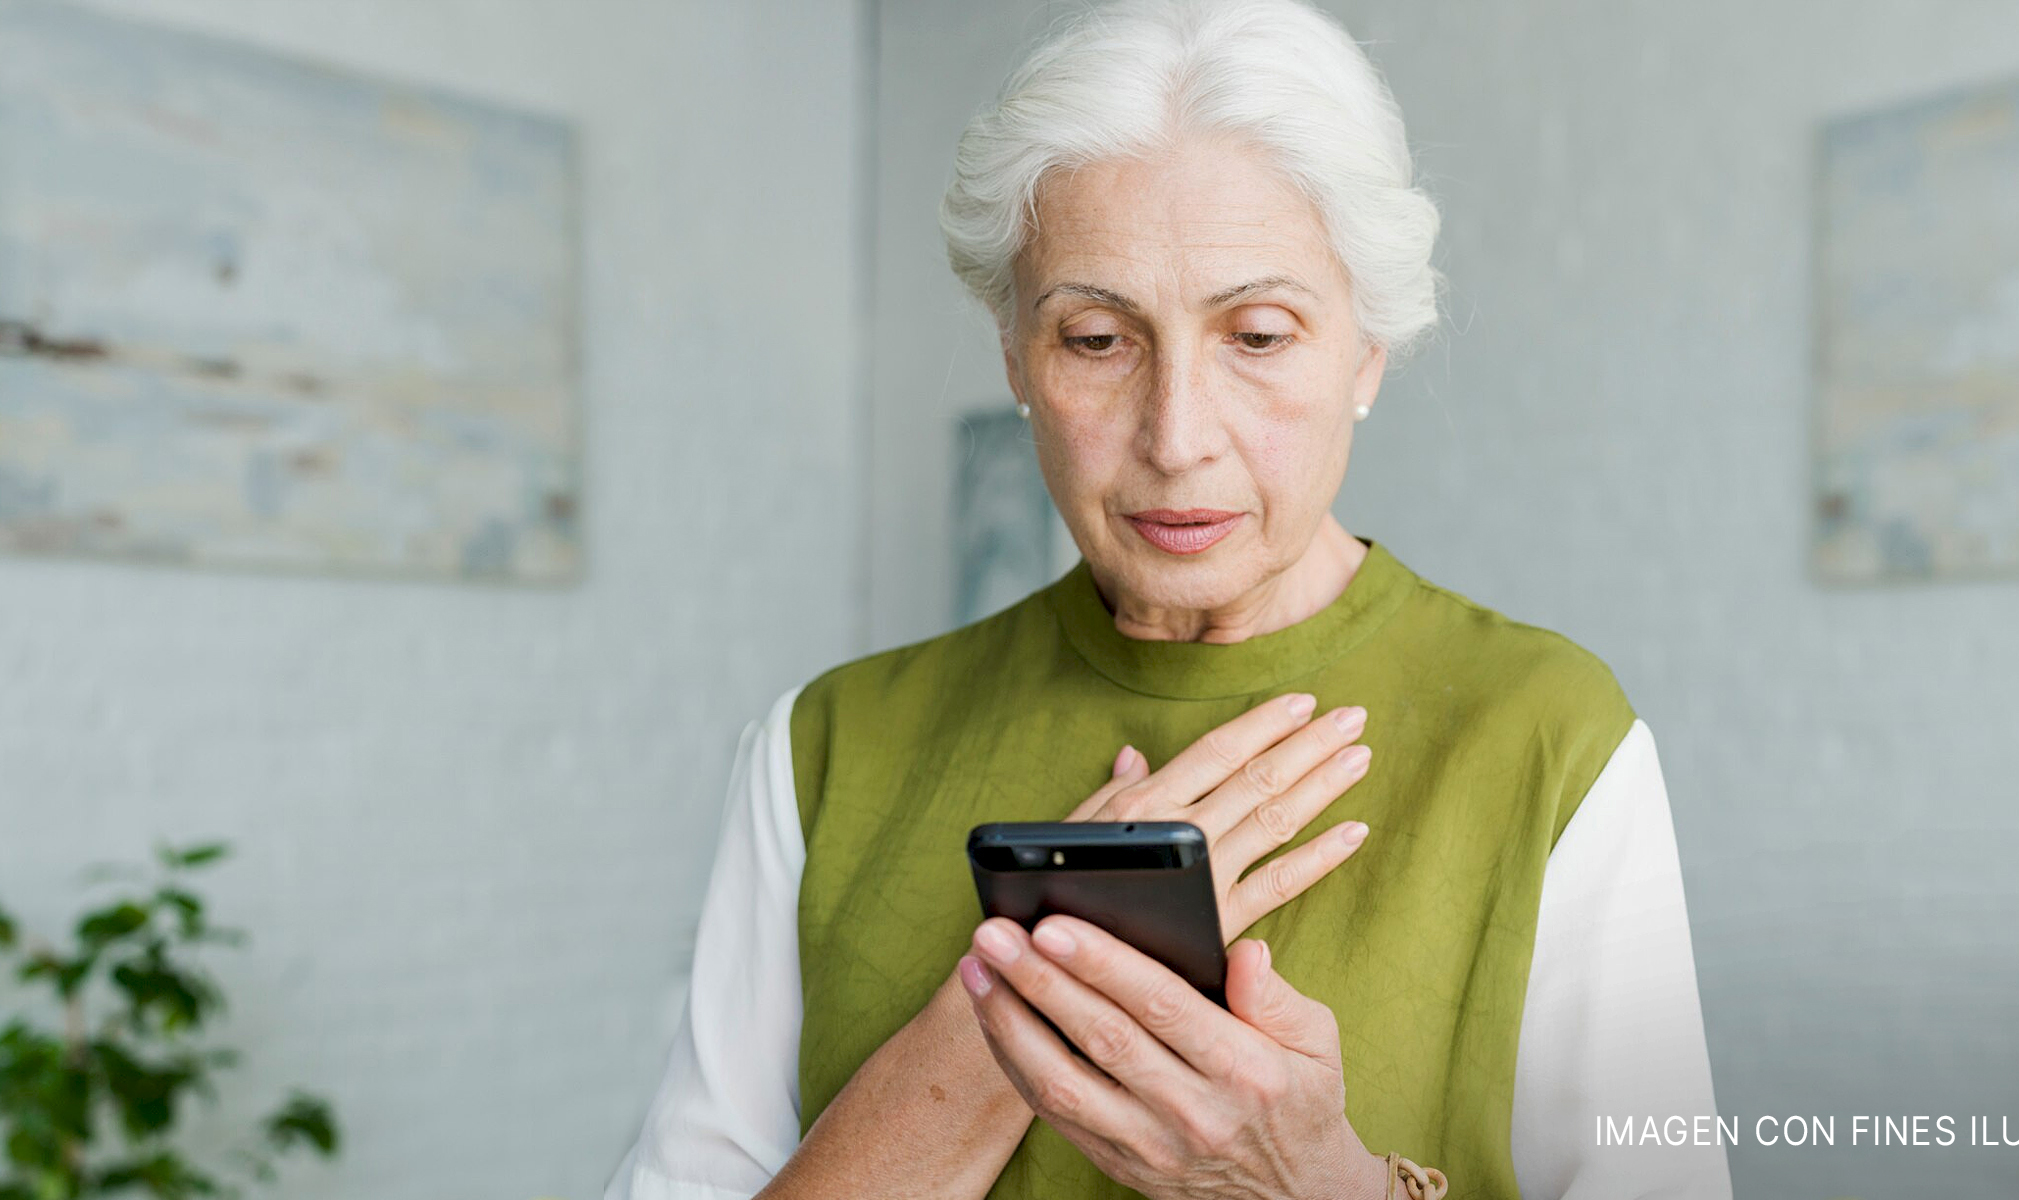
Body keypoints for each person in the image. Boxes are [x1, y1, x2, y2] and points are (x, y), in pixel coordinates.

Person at [604, 1, 1730, 1196]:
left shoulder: (1546, 735)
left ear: (1366, 353)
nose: (1177, 437)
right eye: (1096, 339)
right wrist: (1005, 1015)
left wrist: (1311, 1182)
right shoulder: (822, 747)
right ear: (1012, 356)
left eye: (1258, 333)